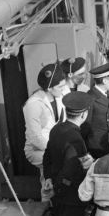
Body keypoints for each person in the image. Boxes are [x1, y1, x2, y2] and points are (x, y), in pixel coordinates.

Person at [42, 92, 95, 216]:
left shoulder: (57, 129)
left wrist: (48, 178)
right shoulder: (76, 140)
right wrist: (58, 188)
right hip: (70, 196)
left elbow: (47, 156)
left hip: (57, 193)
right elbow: (70, 171)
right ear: (84, 114)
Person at [23, 62, 67, 202]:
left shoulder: (58, 95)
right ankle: (47, 204)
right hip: (37, 150)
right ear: (49, 87)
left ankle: (57, 202)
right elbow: (35, 137)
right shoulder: (34, 104)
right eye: (60, 86)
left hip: (53, 147)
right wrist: (57, 150)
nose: (63, 88)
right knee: (54, 168)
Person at [82, 61, 109, 159]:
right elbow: (85, 126)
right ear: (105, 81)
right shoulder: (90, 98)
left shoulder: (108, 93)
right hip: (96, 147)